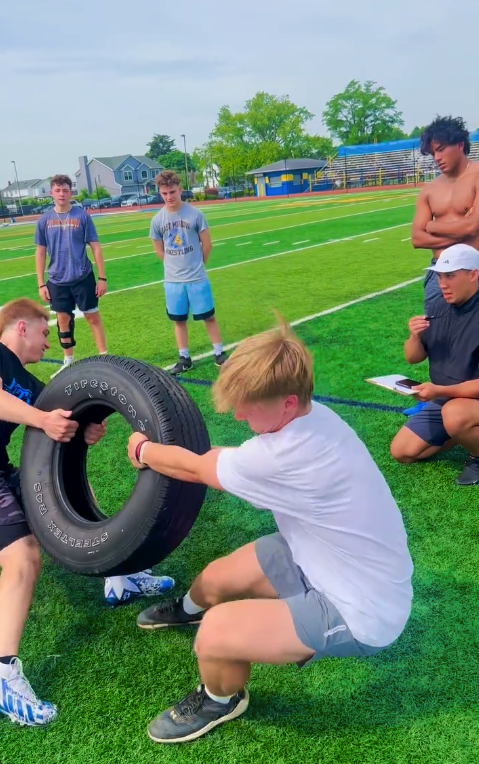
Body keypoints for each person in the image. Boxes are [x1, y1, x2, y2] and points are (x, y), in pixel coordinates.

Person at [127, 318, 414, 744]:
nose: (239, 414)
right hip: (319, 554)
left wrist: (143, 450)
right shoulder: (316, 416)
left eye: (248, 405)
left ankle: (220, 699)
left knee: (216, 635)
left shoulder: (287, 455)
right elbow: (227, 458)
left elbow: (197, 468)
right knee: (217, 577)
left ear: (287, 402)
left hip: (363, 609)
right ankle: (189, 609)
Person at [0, 298, 174, 727]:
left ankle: (117, 577)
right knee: (22, 556)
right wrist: (42, 418)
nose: (50, 341)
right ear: (21, 327)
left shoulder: (20, 376)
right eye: (44, 332)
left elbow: (60, 414)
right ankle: (3, 675)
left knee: (67, 481)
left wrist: (85, 426)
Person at [390, 243, 479, 485]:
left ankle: (477, 454)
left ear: (473, 274)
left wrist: (440, 391)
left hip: (462, 402)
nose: (442, 284)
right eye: (439, 276)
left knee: (455, 415)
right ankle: (462, 433)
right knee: (403, 451)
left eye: (450, 276)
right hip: (444, 399)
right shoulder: (439, 306)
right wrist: (414, 336)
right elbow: (413, 357)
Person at [149, 170, 227, 375]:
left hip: (197, 278)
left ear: (180, 189)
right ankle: (184, 358)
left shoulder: (195, 214)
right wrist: (172, 265)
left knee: (209, 317)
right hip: (173, 282)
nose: (169, 197)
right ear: (160, 193)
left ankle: (219, 353)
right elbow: (158, 248)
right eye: (164, 193)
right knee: (179, 320)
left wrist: (198, 265)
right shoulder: (157, 220)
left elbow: (207, 244)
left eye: (172, 192)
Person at [34, 174, 109, 379]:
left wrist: (102, 278)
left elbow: (95, 247)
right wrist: (41, 283)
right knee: (63, 319)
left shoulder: (82, 216)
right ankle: (68, 361)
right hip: (57, 279)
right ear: (51, 193)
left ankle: (104, 358)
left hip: (82, 276)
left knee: (93, 317)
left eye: (65, 190)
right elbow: (40, 252)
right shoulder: (44, 220)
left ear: (71, 192)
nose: (61, 194)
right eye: (57, 190)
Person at [411, 116, 479, 313]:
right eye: (433, 153)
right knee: (435, 332)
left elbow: (472, 226)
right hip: (440, 269)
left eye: (440, 150)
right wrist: (462, 237)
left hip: (473, 267)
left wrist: (432, 226)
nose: (436, 158)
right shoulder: (429, 190)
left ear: (459, 145)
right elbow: (417, 238)